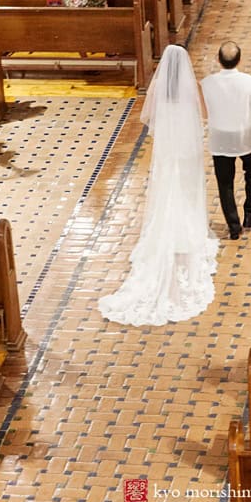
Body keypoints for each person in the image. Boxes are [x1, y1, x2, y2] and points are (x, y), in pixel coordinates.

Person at [99, 44, 218, 326]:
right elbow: (204, 114)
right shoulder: (193, 87)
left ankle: (167, 228)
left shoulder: (158, 90)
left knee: (168, 190)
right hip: (187, 149)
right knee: (187, 191)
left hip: (167, 150)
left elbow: (146, 117)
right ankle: (188, 231)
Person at [201, 42, 251, 240]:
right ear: (239, 60)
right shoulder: (250, 82)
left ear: (218, 60)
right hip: (245, 136)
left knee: (225, 183)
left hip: (220, 138)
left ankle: (233, 227)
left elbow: (204, 112)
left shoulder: (207, 83)